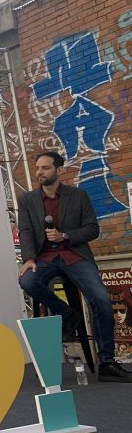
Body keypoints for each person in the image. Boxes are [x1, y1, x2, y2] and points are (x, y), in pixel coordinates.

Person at [17, 151, 132, 383]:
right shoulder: (27, 200)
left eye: (45, 168)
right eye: (38, 168)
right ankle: (68, 314)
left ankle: (107, 363)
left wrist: (64, 236)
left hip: (74, 255)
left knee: (100, 299)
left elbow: (92, 229)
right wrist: (29, 258)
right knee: (27, 280)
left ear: (59, 170)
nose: (39, 172)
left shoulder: (78, 195)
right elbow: (26, 231)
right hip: (45, 257)